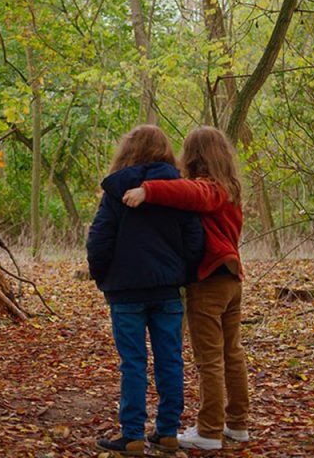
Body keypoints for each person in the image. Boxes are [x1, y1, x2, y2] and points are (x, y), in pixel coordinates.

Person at [122, 126, 249, 451]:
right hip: (231, 279)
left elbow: (191, 193)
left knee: (210, 358)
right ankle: (236, 424)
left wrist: (148, 190)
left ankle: (208, 431)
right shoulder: (230, 187)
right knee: (231, 354)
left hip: (210, 281)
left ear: (194, 156)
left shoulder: (211, 188)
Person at [87, 125, 205, 456]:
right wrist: (184, 275)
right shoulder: (178, 191)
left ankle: (133, 434)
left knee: (134, 362)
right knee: (170, 359)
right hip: (167, 290)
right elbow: (194, 240)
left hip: (126, 292)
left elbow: (99, 240)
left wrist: (103, 277)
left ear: (127, 151)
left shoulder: (116, 193)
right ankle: (167, 431)